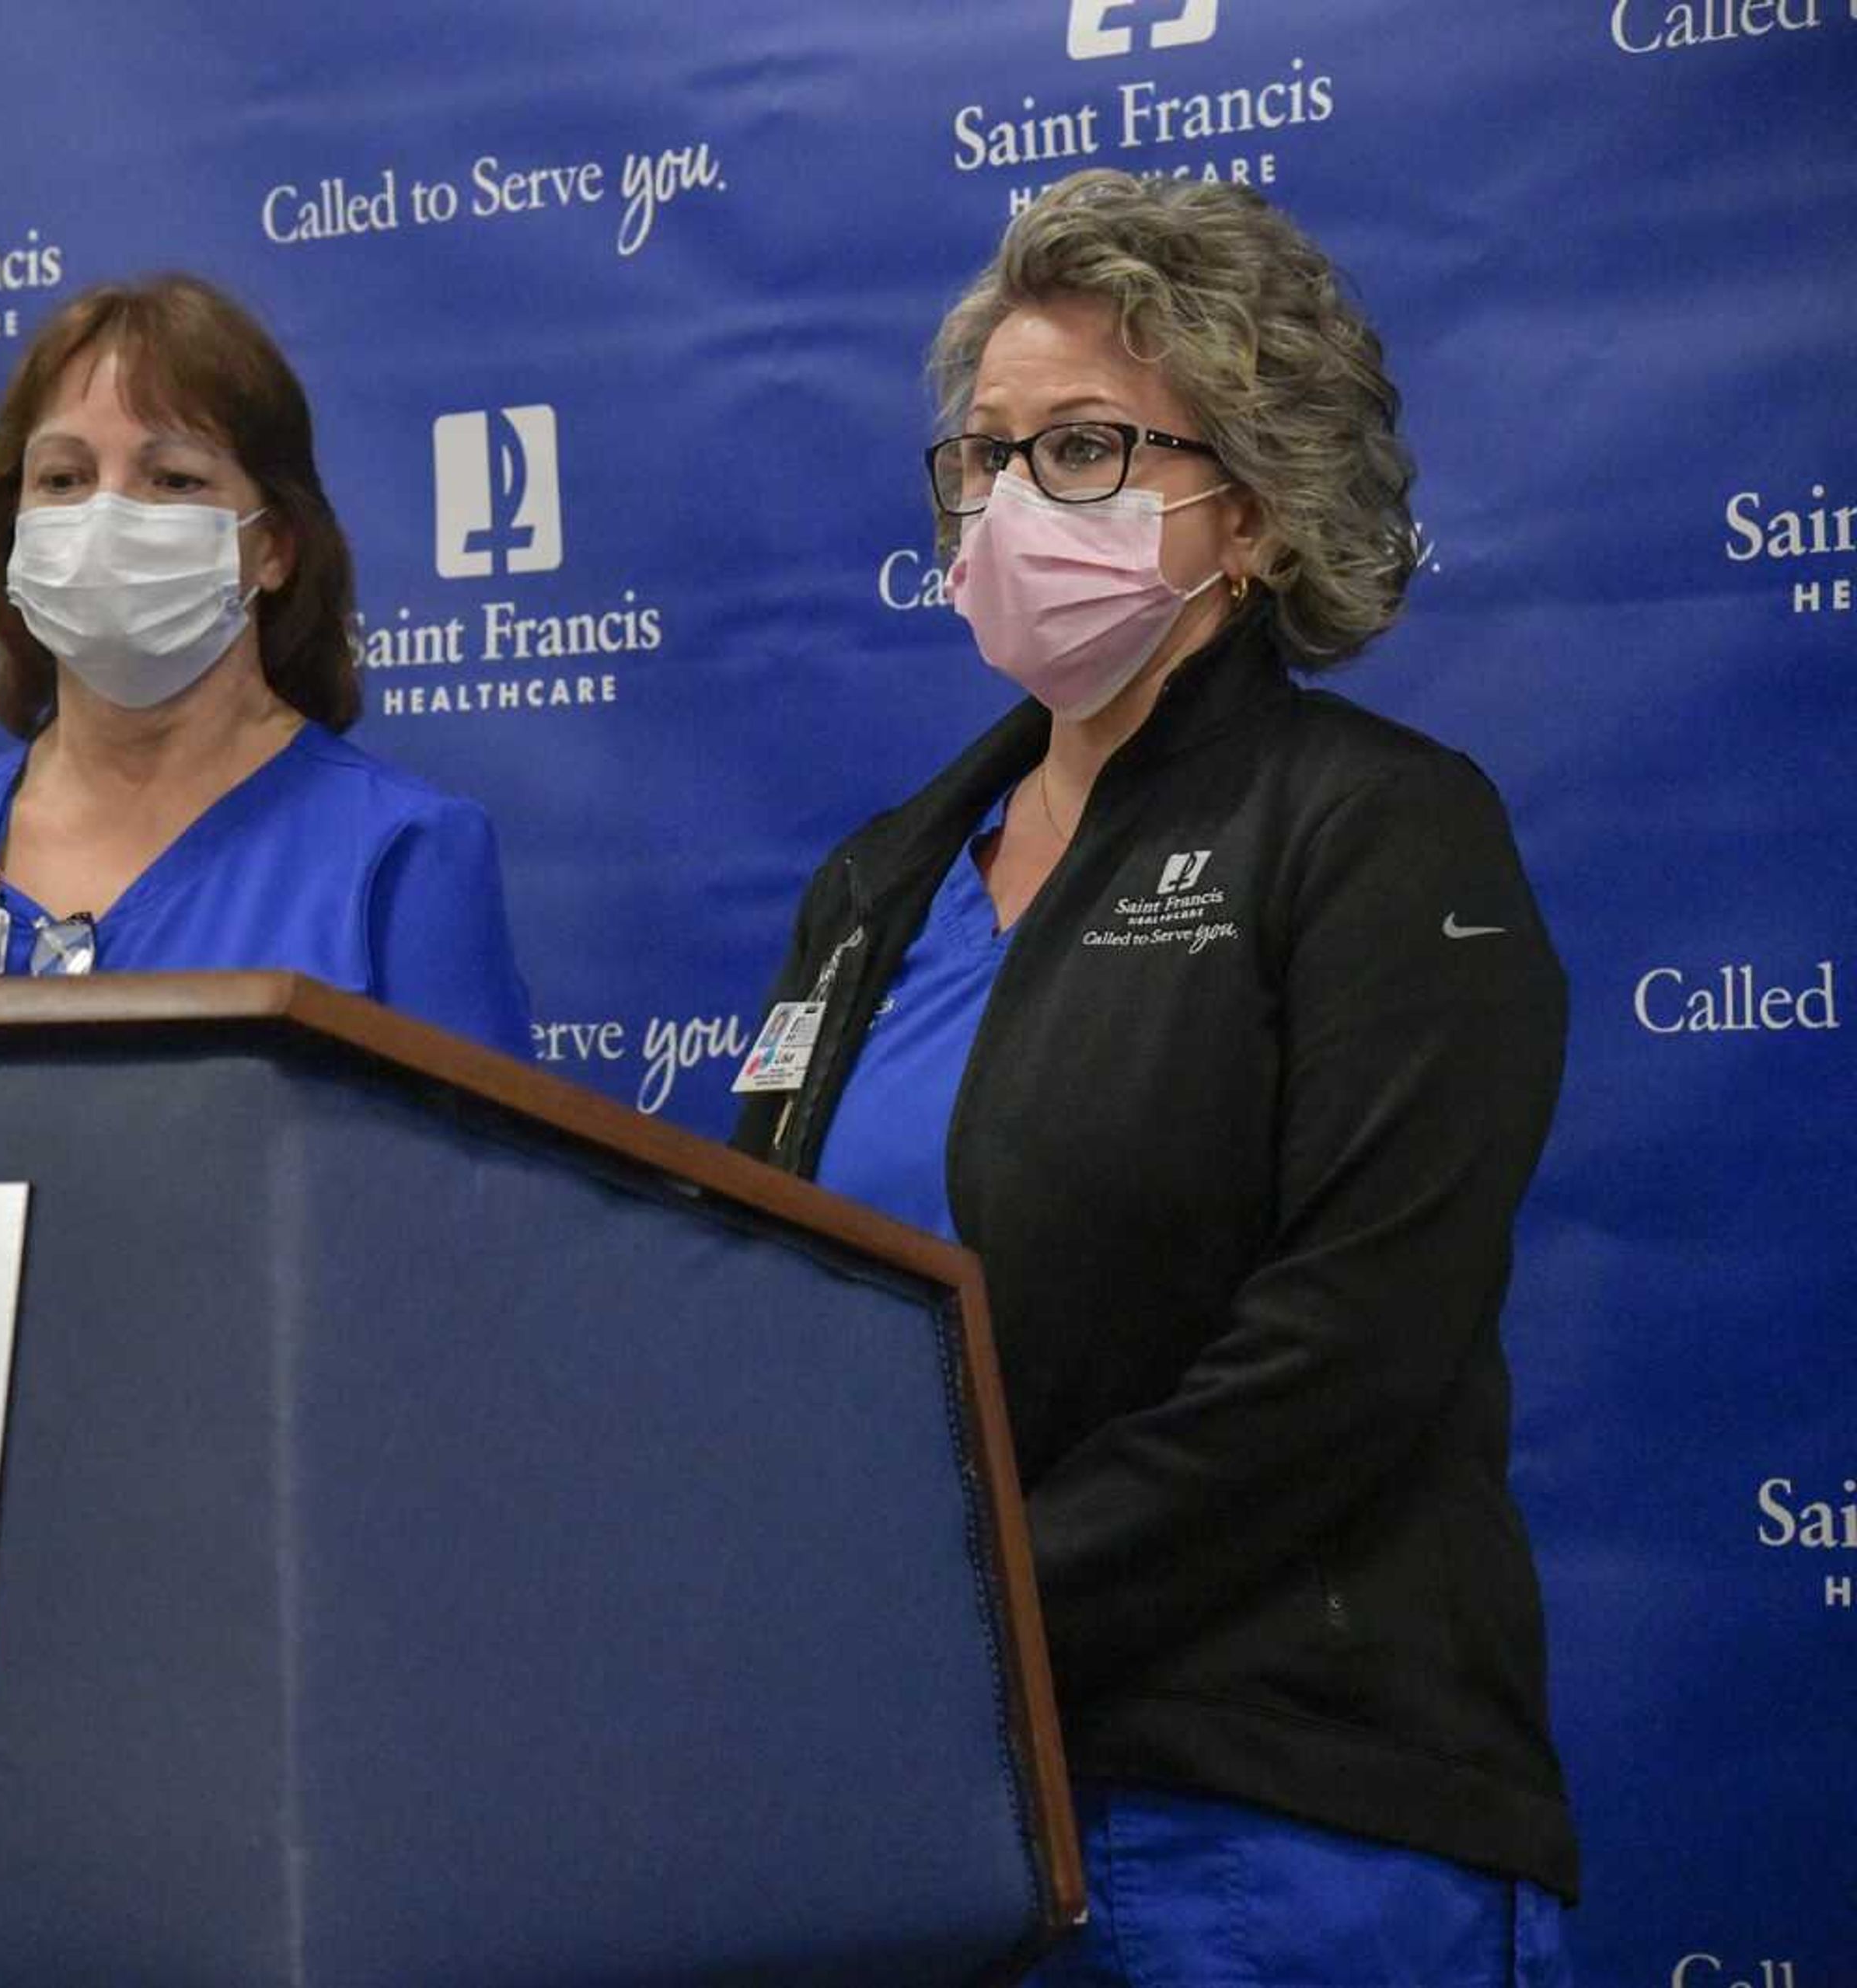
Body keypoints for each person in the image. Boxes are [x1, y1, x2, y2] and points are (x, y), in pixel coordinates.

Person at [732, 172, 1576, 1984]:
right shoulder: (877, 881)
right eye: (984, 456)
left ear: (1252, 507)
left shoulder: (1378, 830)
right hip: (922, 1814)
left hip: (1269, 1816)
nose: (1015, 500)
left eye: (1089, 449)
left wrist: (970, 1601)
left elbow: (1344, 1350)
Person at [0, 274, 533, 1056]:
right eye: (63, 479)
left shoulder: (402, 855)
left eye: (173, 480)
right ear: (14, 535)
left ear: (273, 546)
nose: (107, 518)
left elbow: (470, 1176)